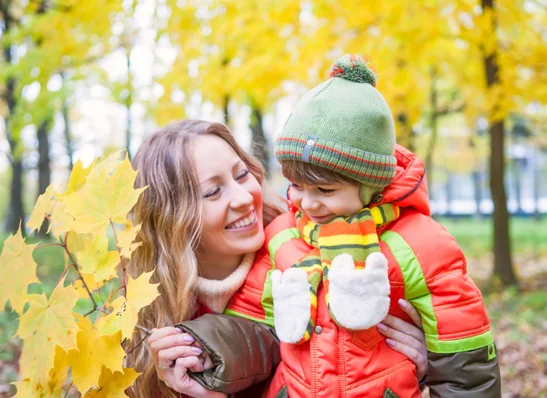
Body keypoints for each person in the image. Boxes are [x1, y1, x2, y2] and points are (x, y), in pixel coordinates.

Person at [208, 54, 502, 397]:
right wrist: (206, 346)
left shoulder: (420, 244)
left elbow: (464, 357)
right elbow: (251, 324)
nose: (308, 202)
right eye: (298, 186)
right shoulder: (283, 236)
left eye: (326, 190)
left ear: (370, 186)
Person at [126, 119, 429, 397]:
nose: (245, 197)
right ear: (170, 220)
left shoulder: (314, 253)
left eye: (242, 175)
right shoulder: (150, 316)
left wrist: (421, 361)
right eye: (213, 192)